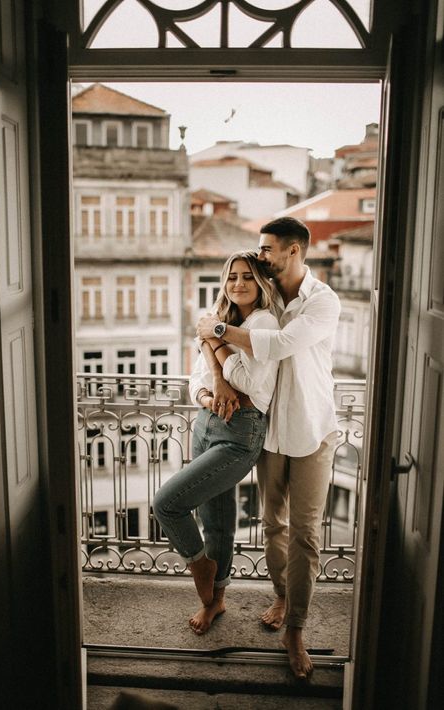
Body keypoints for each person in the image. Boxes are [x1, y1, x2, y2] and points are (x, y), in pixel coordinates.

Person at [197, 217, 340, 680]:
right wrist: (216, 368)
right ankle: (282, 594)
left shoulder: (323, 301)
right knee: (272, 522)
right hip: (270, 430)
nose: (260, 257)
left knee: (306, 532)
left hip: (313, 429)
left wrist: (215, 329)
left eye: (267, 249)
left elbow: (275, 346)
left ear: (293, 251)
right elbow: (219, 344)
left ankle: (295, 630)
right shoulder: (267, 294)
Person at [153, 250, 279, 635]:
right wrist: (212, 391)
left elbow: (248, 383)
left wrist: (213, 342)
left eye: (246, 276)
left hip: (240, 433)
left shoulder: (264, 323)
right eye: (231, 277)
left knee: (167, 504)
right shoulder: (221, 319)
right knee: (217, 521)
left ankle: (199, 563)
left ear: (260, 283)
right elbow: (196, 380)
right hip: (206, 422)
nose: (238, 283)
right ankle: (215, 602)